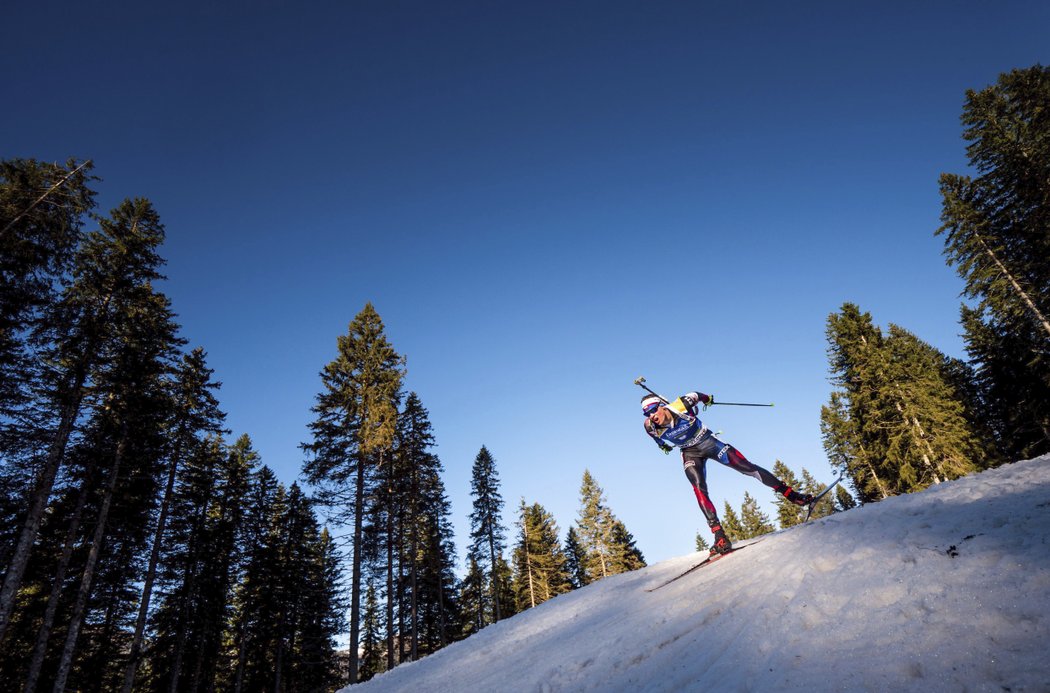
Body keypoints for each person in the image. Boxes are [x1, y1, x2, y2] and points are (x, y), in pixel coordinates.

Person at [641, 391, 813, 556]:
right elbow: (656, 439)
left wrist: (708, 399)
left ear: (663, 405)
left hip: (708, 442)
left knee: (748, 468)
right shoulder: (650, 426)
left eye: (653, 410)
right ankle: (719, 536)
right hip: (689, 452)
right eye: (646, 413)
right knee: (699, 488)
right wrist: (662, 445)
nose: (651, 416)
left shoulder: (682, 404)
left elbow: (698, 395)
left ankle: (792, 495)